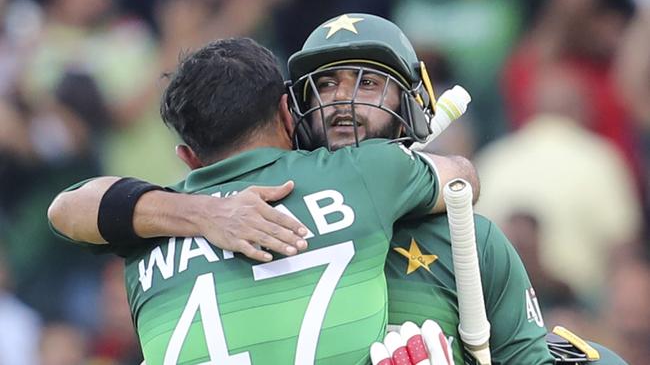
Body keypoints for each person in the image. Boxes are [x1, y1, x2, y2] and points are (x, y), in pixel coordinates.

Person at [48, 36, 477, 364]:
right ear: (288, 112)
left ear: (187, 156)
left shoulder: (143, 238)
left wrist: (200, 212)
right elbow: (463, 179)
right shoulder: (365, 172)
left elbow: (65, 209)